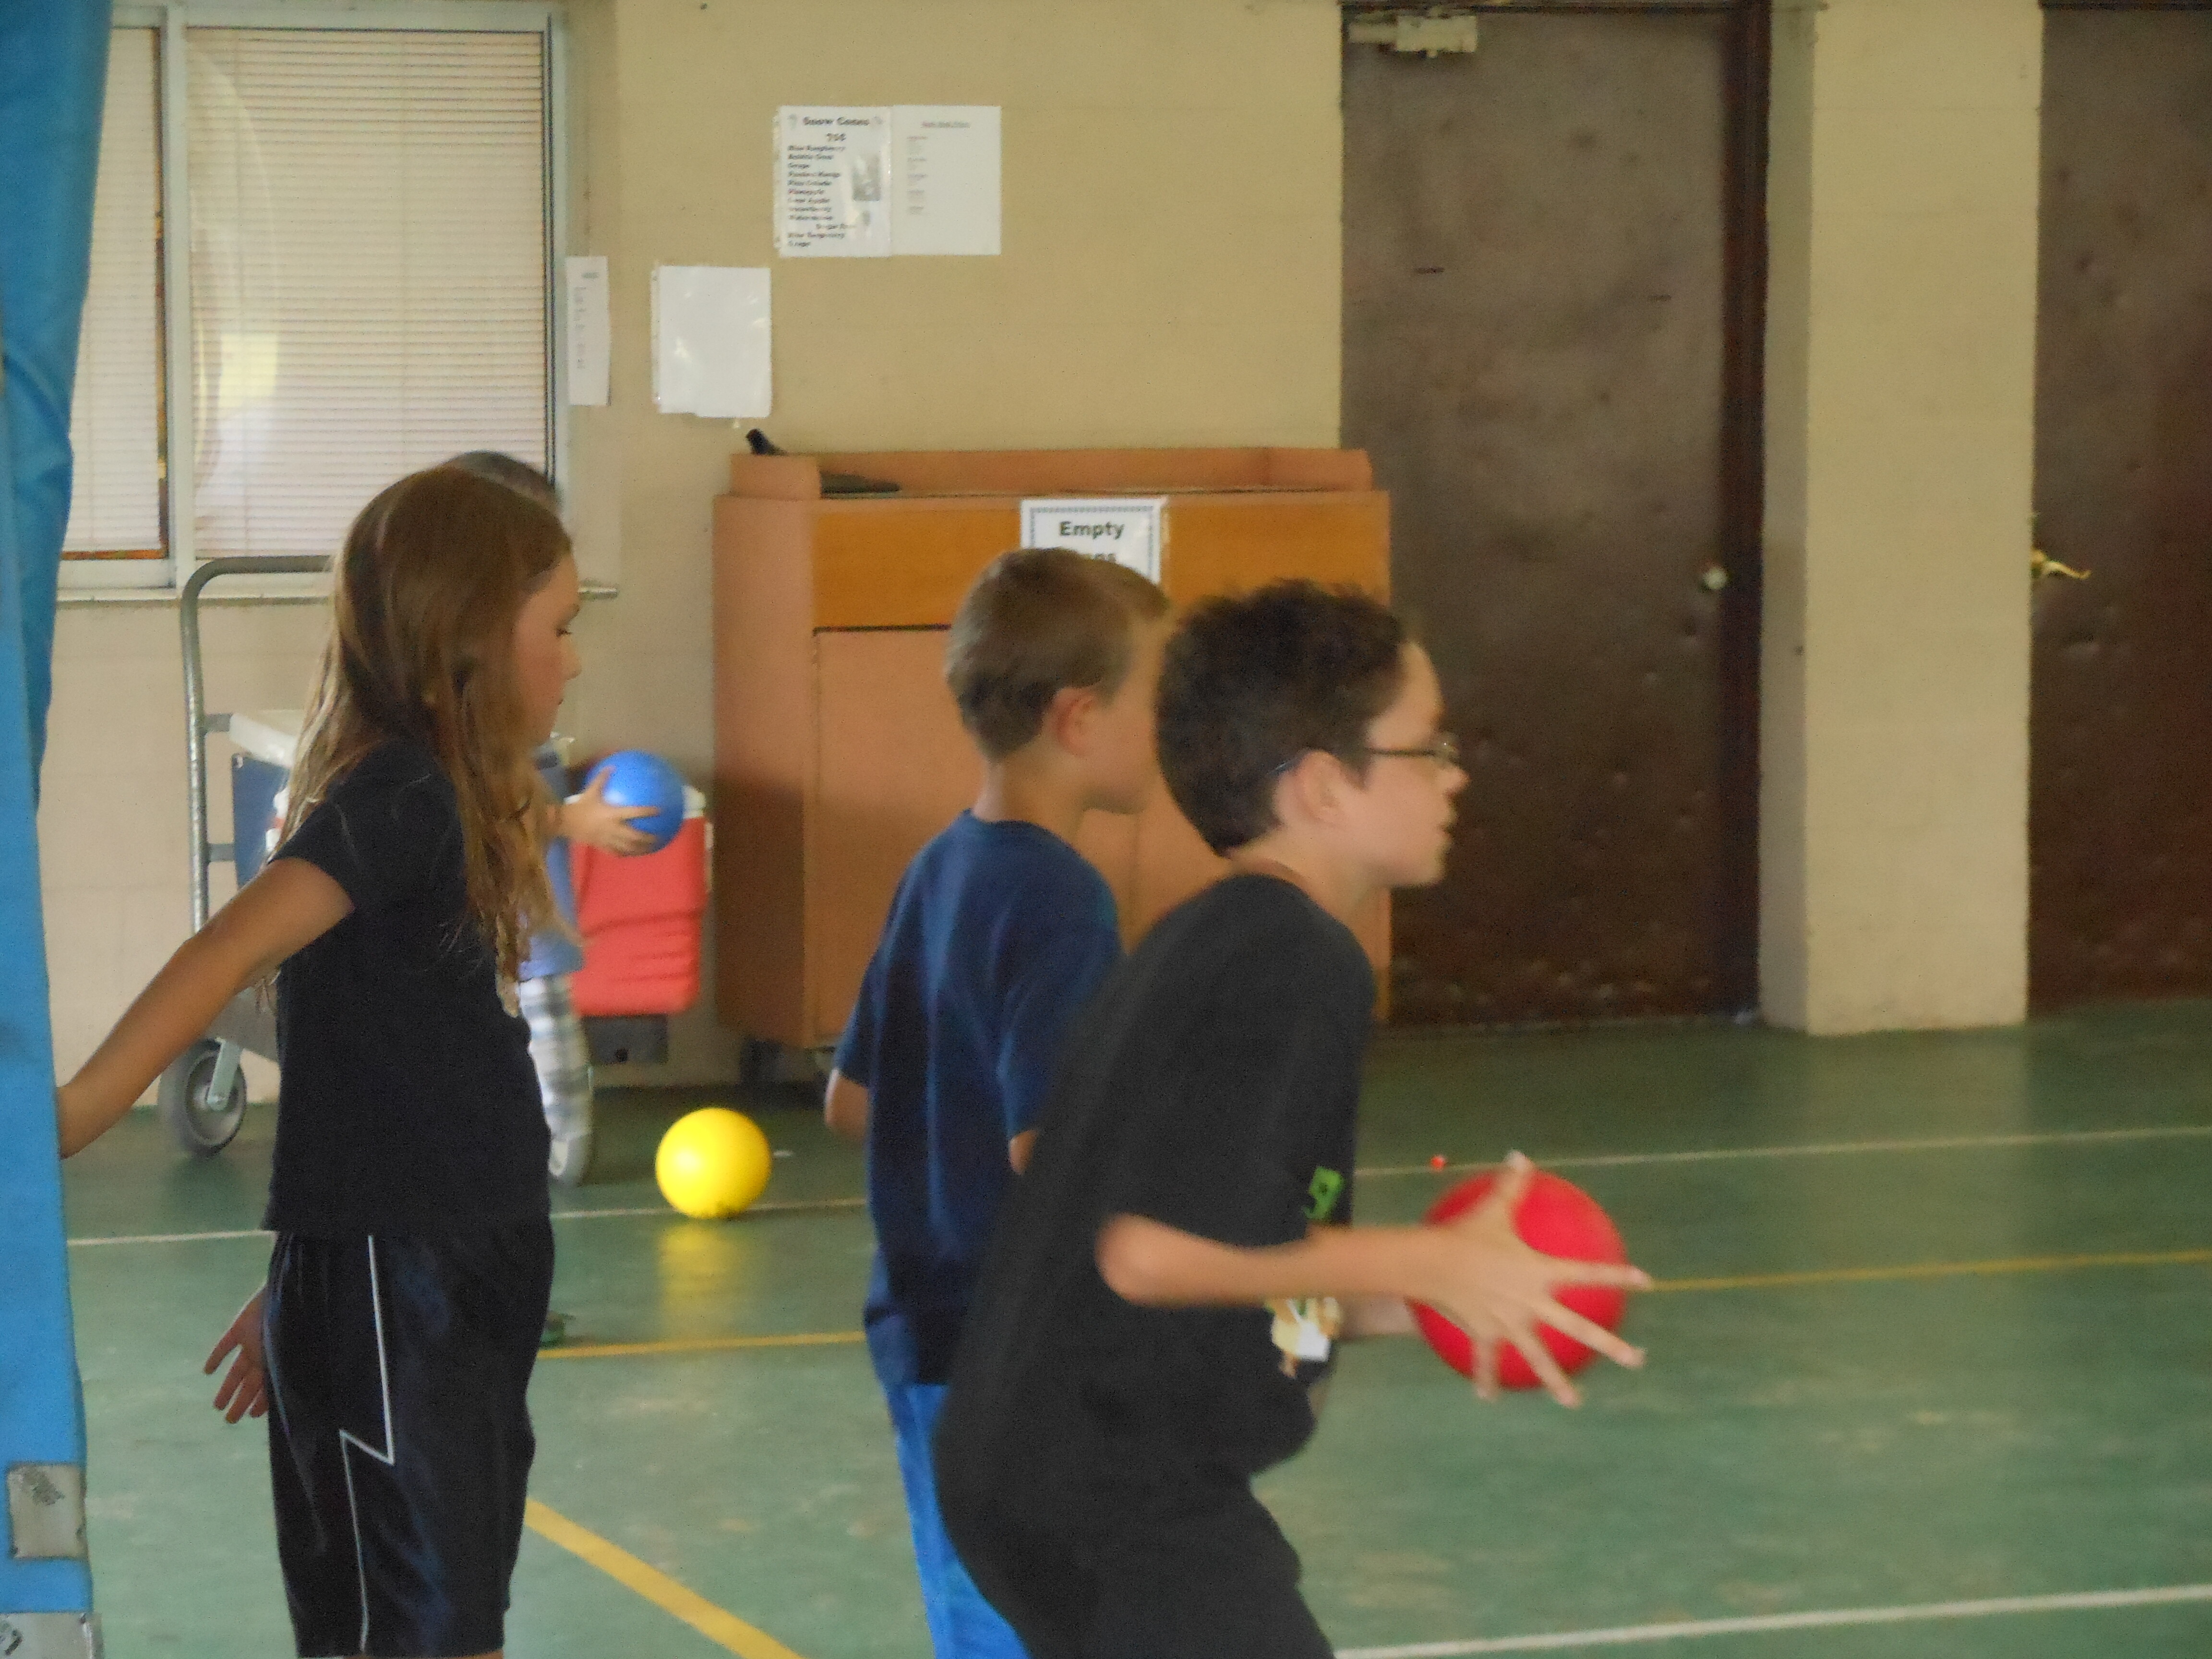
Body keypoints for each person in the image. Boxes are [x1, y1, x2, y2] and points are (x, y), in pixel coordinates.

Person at [933, 581, 1654, 1659]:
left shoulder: (1225, 942)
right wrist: (1430, 1256)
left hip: (1047, 1468)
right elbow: (1148, 1253)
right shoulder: (1290, 961)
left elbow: (1254, 1251)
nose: (1455, 774)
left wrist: (1422, 1301)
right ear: (1322, 786)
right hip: (1106, 1488)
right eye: (1428, 747)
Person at [57, 465, 587, 1659]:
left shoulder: (449, 797)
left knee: (454, 1619)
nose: (574, 659)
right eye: (557, 628)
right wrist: (82, 1110)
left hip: (444, 1276)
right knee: (412, 1631)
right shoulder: (398, 796)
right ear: (469, 640)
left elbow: (389, 1063)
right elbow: (228, 949)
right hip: (408, 1281)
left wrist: (308, 1280)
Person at [824, 547, 1171, 1658]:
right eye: (1159, 696)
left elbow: (849, 1100)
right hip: (1023, 1357)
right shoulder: (1061, 898)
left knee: (978, 1618)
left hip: (925, 1332)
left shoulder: (941, 867)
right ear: (1079, 717)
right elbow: (1051, 1150)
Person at [446, 450, 653, 1187]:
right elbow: (489, 805)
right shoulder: (460, 703)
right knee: (527, 991)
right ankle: (555, 1140)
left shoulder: (510, 690)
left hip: (526, 904)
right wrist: (570, 821)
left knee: (540, 991)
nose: (574, 661)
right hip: (498, 908)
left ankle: (560, 1139)